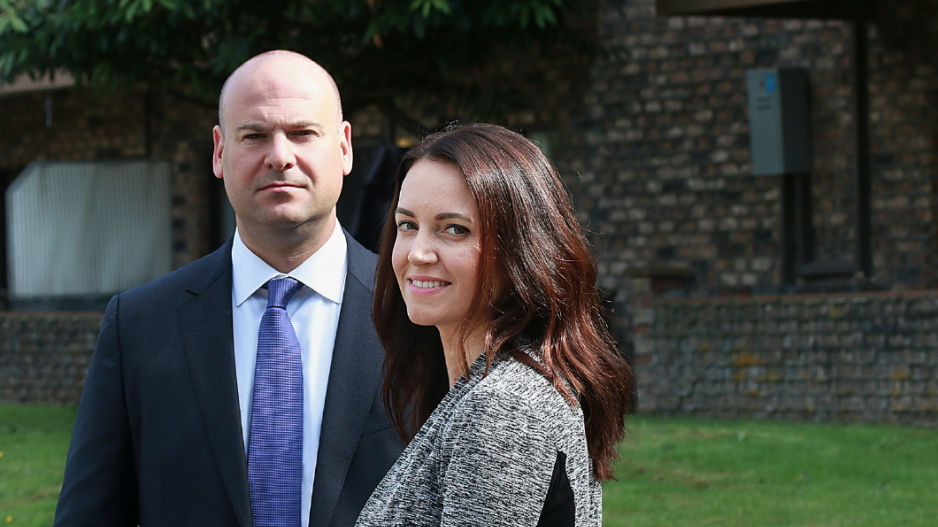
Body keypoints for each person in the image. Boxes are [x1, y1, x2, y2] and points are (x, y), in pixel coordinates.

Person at [54, 50, 403, 527]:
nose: (280, 156)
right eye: (255, 135)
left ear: (344, 147)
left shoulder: (415, 315)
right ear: (220, 151)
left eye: (302, 133)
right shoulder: (139, 326)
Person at [356, 123, 633, 527]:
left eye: (454, 229)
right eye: (407, 225)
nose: (418, 253)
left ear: (519, 249)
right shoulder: (475, 387)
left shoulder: (504, 408)